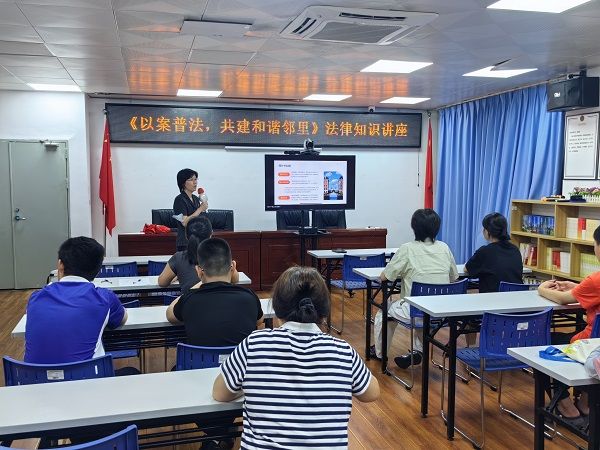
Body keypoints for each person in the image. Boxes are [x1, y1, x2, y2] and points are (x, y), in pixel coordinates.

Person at [212, 266, 379, 449]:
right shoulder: (342, 351)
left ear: (276, 309)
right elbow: (372, 393)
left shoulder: (255, 344)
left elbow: (220, 393)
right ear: (324, 312)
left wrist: (249, 385)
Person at [372, 208, 458, 369]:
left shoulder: (407, 248)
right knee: (423, 311)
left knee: (384, 311)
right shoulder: (444, 248)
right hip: (442, 313)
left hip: (416, 313)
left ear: (414, 228)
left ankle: (379, 353)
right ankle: (418, 351)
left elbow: (385, 277)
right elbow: (454, 278)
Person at [25, 236, 128, 364]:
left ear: (60, 264)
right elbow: (122, 319)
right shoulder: (104, 297)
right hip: (85, 375)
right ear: (98, 270)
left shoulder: (35, 297)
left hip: (33, 376)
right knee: (131, 370)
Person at [537, 224, 600, 429]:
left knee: (537, 346)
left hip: (591, 345)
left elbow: (563, 299)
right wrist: (579, 287)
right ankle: (586, 404)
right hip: (595, 344)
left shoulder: (596, 279)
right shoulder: (593, 281)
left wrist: (542, 289)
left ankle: (566, 407)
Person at [166, 237, 262, 346]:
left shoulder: (189, 299)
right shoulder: (249, 297)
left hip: (200, 358)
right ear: (233, 266)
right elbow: (259, 321)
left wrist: (198, 283)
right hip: (239, 357)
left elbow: (170, 315)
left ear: (198, 271)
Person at [158, 215, 239, 294]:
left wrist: (177, 275)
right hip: (219, 301)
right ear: (211, 234)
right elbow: (235, 279)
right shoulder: (220, 254)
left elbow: (162, 282)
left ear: (186, 236)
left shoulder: (178, 257)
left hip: (189, 302)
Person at [464, 212, 523, 293]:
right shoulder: (515, 249)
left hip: (492, 298)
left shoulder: (485, 251)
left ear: (487, 232)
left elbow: (466, 269)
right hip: (517, 296)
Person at [173, 168, 208, 251]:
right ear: (183, 183)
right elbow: (184, 222)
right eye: (191, 180)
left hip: (197, 241)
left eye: (195, 179)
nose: (195, 182)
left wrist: (203, 209)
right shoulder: (180, 199)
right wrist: (200, 209)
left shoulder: (196, 198)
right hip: (185, 243)